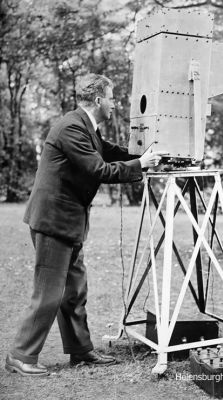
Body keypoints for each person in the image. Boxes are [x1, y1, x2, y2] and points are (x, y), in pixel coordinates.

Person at [5, 74, 166, 377]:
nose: (115, 104)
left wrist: (143, 154)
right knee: (49, 293)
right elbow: (98, 169)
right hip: (53, 223)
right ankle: (20, 355)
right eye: (111, 97)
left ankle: (80, 351)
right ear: (98, 101)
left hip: (69, 223)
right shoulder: (71, 127)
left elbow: (109, 151)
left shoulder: (86, 128)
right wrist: (140, 165)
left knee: (75, 290)